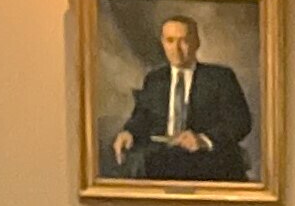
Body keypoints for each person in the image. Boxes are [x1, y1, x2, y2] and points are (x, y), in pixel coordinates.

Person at [110, 13, 258, 182]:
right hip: (161, 159)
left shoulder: (220, 77)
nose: (176, 49)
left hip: (206, 160)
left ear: (197, 43)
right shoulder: (155, 79)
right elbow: (141, 117)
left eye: (184, 41)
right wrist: (128, 132)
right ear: (163, 43)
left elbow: (240, 122)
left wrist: (203, 139)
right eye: (170, 41)